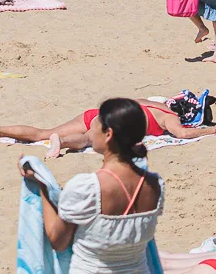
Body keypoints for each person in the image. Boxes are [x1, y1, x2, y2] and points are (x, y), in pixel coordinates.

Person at [20, 98, 165, 274]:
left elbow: (58, 242)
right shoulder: (154, 185)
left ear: (108, 134)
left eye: (96, 123)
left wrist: (42, 188)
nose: (91, 128)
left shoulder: (87, 188)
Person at [0, 96, 216, 154]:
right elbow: (183, 133)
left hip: (96, 112)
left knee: (44, 132)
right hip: (112, 121)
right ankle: (62, 143)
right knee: (88, 139)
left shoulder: (151, 101)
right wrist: (212, 129)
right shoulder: (169, 118)